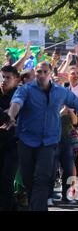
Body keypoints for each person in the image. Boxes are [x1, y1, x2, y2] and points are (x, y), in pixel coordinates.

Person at [0, 61, 78, 211]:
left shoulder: (61, 91)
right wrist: (11, 116)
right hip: (26, 142)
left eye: (45, 72)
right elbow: (16, 103)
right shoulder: (26, 89)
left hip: (49, 143)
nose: (41, 75)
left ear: (51, 73)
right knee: (29, 182)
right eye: (39, 72)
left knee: (41, 180)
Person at [0, 65, 21, 210]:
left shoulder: (19, 96)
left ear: (16, 80)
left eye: (8, 78)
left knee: (6, 179)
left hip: (13, 145)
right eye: (2, 77)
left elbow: (9, 116)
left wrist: (7, 115)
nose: (4, 80)